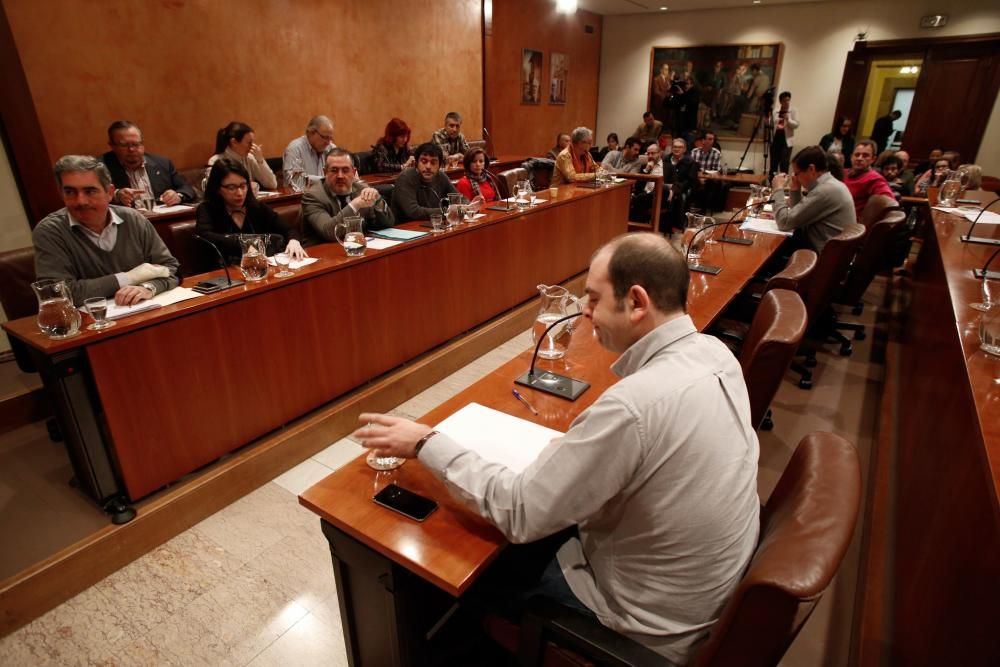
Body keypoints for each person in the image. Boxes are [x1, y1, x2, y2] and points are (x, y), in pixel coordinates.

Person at [355, 232, 760, 665]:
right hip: (700, 603)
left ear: (637, 302)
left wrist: (424, 441)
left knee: (463, 574)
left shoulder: (632, 407)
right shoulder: (716, 354)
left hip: (637, 631)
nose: (585, 313)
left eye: (593, 298)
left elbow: (521, 513)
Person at [33, 155, 180, 306]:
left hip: (142, 312)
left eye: (90, 191)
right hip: (89, 324)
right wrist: (130, 277)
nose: (80, 201)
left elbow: (170, 269)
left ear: (109, 192)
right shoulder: (50, 231)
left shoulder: (133, 219)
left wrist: (148, 287)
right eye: (70, 192)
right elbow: (58, 294)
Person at [195, 159, 306, 263]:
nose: (239, 193)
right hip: (225, 272)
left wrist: (294, 241)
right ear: (217, 188)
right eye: (231, 187)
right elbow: (205, 236)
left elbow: (288, 229)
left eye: (243, 186)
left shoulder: (256, 207)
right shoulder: (207, 209)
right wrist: (247, 248)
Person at [300, 149, 394, 247]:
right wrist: (355, 205)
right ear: (325, 172)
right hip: (322, 253)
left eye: (345, 170)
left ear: (353, 172)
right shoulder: (313, 196)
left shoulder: (362, 189)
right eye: (334, 170)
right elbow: (328, 232)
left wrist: (378, 201)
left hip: (356, 249)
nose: (340, 176)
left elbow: (388, 224)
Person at [770, 146, 855, 253]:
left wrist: (778, 189)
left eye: (797, 173)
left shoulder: (825, 190)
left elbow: (784, 223)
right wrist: (795, 189)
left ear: (811, 169)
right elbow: (798, 216)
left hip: (823, 258)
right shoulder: (829, 184)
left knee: (769, 248)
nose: (795, 177)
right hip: (824, 250)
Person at [100, 121, 196, 207]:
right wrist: (116, 195)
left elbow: (187, 188)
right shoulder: (100, 167)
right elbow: (93, 196)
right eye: (124, 145)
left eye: (136, 144)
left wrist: (178, 195)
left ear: (142, 143)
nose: (131, 149)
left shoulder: (162, 163)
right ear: (112, 146)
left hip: (162, 219)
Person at [391, 142, 466, 222]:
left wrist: (468, 206)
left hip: (432, 224)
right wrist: (448, 211)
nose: (428, 166)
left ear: (439, 166)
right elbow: (413, 212)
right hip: (406, 229)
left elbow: (458, 198)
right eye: (424, 161)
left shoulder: (441, 176)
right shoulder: (405, 178)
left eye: (433, 162)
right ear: (416, 163)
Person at [207, 121, 278, 190]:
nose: (252, 146)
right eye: (249, 142)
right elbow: (213, 191)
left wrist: (260, 160)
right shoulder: (215, 161)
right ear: (234, 142)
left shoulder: (250, 158)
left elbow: (272, 184)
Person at [844, 140, 894, 220]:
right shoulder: (843, 173)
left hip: (851, 225)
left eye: (865, 155)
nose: (859, 158)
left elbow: (890, 203)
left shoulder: (875, 179)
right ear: (851, 157)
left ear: (873, 159)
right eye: (857, 155)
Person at [281, 115, 336, 185]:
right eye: (324, 137)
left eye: (330, 138)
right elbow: (293, 179)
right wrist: (324, 180)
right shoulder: (295, 149)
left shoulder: (331, 148)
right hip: (301, 195)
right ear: (310, 133)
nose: (328, 142)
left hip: (325, 194)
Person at [769, 91, 799, 176]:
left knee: (784, 164)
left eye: (788, 100)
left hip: (786, 141)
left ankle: (783, 185)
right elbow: (772, 122)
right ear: (780, 101)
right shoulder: (776, 111)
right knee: (773, 164)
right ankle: (771, 183)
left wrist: (788, 119)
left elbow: (796, 125)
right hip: (775, 139)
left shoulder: (793, 110)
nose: (787, 102)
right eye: (784, 100)